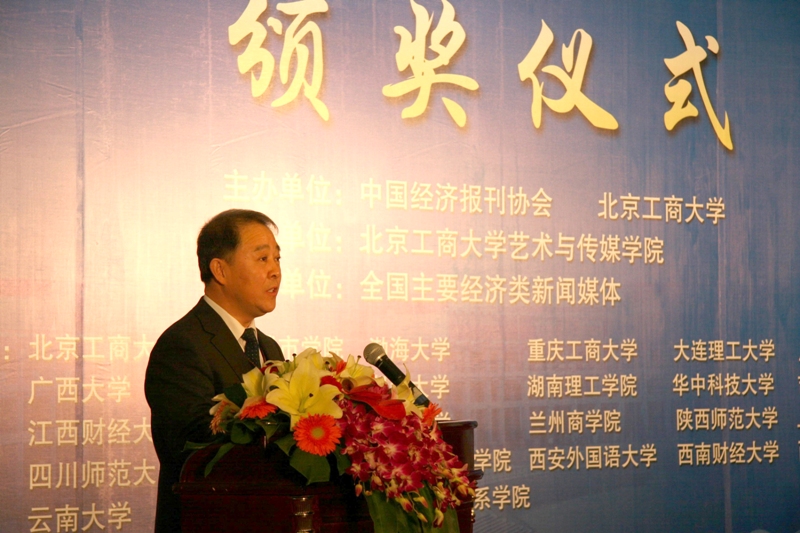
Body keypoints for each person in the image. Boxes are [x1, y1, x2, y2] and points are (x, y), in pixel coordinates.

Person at [144, 209, 284, 532]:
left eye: (278, 259)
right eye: (262, 259)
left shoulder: (269, 348)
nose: (275, 271)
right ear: (220, 270)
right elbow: (191, 446)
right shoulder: (182, 345)